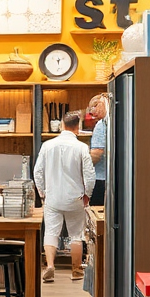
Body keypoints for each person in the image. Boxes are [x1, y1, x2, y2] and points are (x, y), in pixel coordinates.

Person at [33, 111, 95, 283]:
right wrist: (87, 195)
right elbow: (89, 175)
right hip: (75, 197)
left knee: (51, 232)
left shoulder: (47, 146)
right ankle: (76, 271)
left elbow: (37, 172)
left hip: (53, 196)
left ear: (62, 125)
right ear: (78, 127)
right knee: (76, 234)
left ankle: (50, 265)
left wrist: (42, 193)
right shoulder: (82, 147)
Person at [88, 93, 109, 207]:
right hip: (111, 178)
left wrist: (82, 166)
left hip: (100, 179)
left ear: (100, 104)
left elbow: (97, 154)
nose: (92, 115)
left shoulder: (101, 125)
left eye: (92, 108)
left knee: (96, 216)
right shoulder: (113, 121)